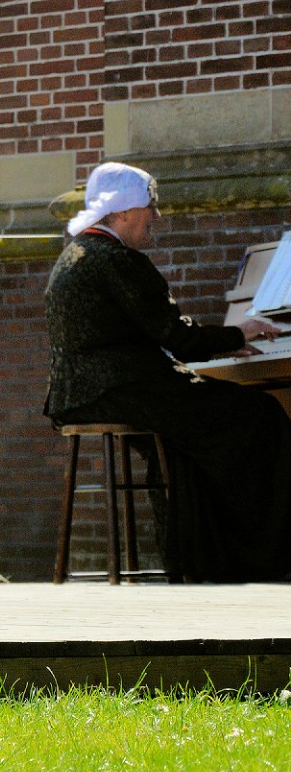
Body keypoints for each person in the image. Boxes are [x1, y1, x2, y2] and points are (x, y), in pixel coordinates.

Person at [44, 162, 290, 581]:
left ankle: (202, 561)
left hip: (85, 392)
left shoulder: (77, 255)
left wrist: (224, 340)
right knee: (261, 416)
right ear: (121, 212)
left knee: (188, 437)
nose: (157, 216)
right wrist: (238, 332)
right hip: (123, 387)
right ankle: (264, 557)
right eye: (150, 206)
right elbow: (179, 337)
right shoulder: (117, 260)